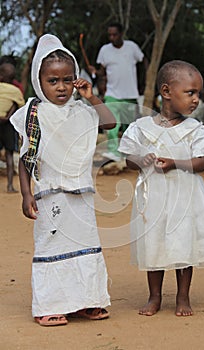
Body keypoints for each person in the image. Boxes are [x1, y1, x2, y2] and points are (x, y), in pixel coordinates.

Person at [10, 34, 116, 326]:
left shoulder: (82, 110)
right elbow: (25, 158)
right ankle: (50, 304)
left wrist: (91, 96)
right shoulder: (32, 113)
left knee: (85, 243)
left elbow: (109, 123)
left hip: (80, 194)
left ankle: (87, 301)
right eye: (52, 81)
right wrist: (26, 194)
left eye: (67, 80)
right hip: (50, 193)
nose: (61, 87)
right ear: (38, 81)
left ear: (76, 81)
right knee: (51, 245)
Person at [118, 60, 204, 317]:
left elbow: (201, 163)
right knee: (153, 243)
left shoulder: (195, 130)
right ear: (167, 92)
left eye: (198, 94)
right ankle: (154, 296)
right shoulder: (141, 128)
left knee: (183, 244)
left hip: (186, 198)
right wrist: (141, 159)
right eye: (190, 93)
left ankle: (183, 297)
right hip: (154, 198)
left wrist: (175, 164)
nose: (196, 100)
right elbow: (128, 159)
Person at [88, 22, 146, 162]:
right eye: (110, 35)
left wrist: (145, 82)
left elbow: (144, 61)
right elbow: (102, 72)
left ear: (121, 34)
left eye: (115, 34)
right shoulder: (105, 50)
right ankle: (113, 151)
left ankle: (126, 153)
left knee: (129, 125)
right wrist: (95, 72)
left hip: (130, 94)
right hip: (112, 93)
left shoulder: (132, 47)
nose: (112, 37)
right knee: (112, 123)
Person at [0, 62, 25, 192]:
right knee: (9, 155)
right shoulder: (16, 91)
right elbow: (20, 107)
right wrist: (9, 115)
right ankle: (10, 186)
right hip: (9, 125)